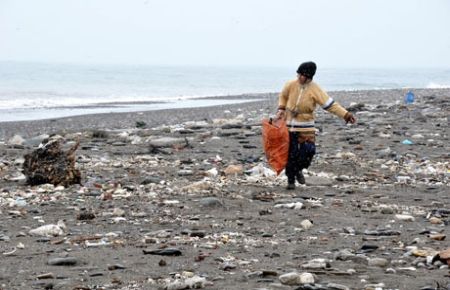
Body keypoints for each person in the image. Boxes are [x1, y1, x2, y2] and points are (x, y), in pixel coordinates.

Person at [276, 61, 356, 189]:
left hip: (306, 124)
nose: (299, 77)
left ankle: (299, 169)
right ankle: (291, 180)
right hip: (289, 124)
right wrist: (281, 109)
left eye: (302, 75)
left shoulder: (315, 89)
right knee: (291, 153)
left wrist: (345, 114)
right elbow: (283, 96)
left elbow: (330, 105)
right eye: (298, 74)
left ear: (308, 76)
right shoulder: (290, 84)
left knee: (309, 151)